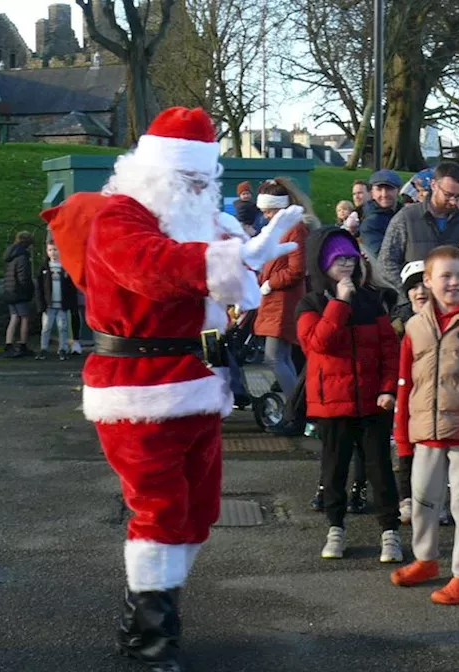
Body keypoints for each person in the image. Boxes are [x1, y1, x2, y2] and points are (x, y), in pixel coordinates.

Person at [40, 106, 299, 672]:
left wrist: (247, 255)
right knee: (159, 512)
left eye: (207, 179)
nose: (201, 190)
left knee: (197, 511)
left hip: (199, 386)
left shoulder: (194, 223)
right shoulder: (118, 217)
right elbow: (150, 266)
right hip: (137, 393)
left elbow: (217, 261)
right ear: (153, 171)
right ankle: (149, 645)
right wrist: (232, 257)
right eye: (190, 179)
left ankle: (149, 621)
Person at [389, 246, 459, 606]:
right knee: (422, 499)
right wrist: (403, 435)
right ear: (427, 281)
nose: (453, 282)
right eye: (445, 276)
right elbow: (404, 381)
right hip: (425, 434)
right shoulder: (413, 325)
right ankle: (424, 559)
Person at [297, 227, 402, 562]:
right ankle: (335, 528)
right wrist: (340, 302)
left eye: (350, 259)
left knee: (380, 470)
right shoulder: (310, 303)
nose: (345, 266)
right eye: (337, 260)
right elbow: (318, 344)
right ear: (321, 264)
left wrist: (388, 389)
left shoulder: (373, 301)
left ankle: (390, 533)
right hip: (333, 403)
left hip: (374, 401)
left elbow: (390, 350)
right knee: (334, 470)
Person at [254, 178, 309, 403]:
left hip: (283, 300)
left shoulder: (295, 230)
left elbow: (296, 269)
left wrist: (269, 283)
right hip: (277, 299)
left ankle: (296, 407)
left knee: (274, 358)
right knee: (281, 357)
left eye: (268, 211)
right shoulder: (284, 229)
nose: (265, 216)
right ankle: (298, 406)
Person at [379, 162, 459, 290]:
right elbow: (386, 263)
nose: (453, 201)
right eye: (447, 195)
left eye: (458, 196)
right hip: (415, 302)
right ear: (433, 185)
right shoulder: (406, 217)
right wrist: (409, 290)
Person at [389, 260, 429, 524]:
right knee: (405, 446)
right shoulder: (398, 321)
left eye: (425, 284)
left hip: (433, 393)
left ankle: (433, 501)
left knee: (433, 450)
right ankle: (407, 499)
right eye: (414, 287)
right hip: (404, 392)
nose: (420, 292)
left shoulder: (444, 315)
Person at [34, 238, 79, 360]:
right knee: (46, 327)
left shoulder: (65, 267)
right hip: (48, 305)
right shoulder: (44, 267)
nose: (53, 253)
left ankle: (62, 348)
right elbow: (39, 288)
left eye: (55, 250)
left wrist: (70, 303)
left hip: (61, 304)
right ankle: (43, 348)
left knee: (62, 327)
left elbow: (71, 288)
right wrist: (40, 304)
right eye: (50, 250)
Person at [2, 232, 35, 359]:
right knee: (24, 318)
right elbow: (24, 278)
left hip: (9, 291)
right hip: (19, 292)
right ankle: (23, 344)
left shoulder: (10, 256)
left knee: (14, 318)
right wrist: (29, 291)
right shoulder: (22, 257)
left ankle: (8, 345)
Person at [358, 169, 402, 262]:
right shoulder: (370, 223)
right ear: (372, 193)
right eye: (379, 189)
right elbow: (382, 256)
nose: (384, 194)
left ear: (398, 190)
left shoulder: (406, 214)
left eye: (389, 189)